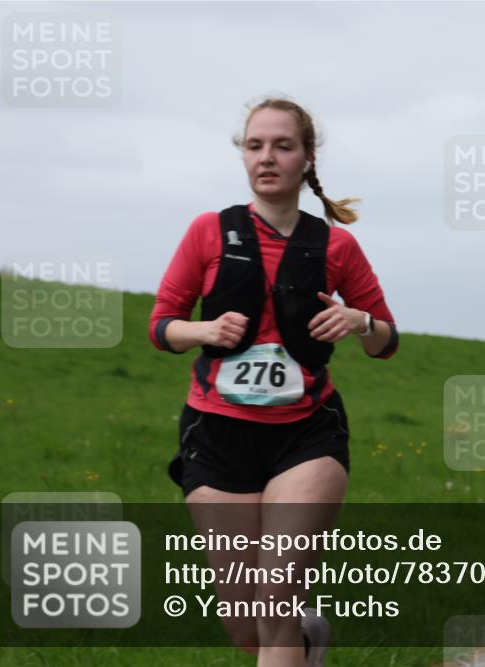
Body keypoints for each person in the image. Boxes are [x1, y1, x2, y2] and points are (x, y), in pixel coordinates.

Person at [149, 97, 399, 666]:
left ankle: (292, 631)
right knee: (244, 624)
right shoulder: (209, 232)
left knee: (275, 601)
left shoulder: (336, 245)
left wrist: (361, 322)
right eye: (255, 145)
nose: (267, 158)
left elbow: (386, 341)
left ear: (307, 158)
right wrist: (204, 330)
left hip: (305, 436)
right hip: (217, 435)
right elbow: (161, 325)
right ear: (243, 154)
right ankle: (311, 643)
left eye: (282, 146)